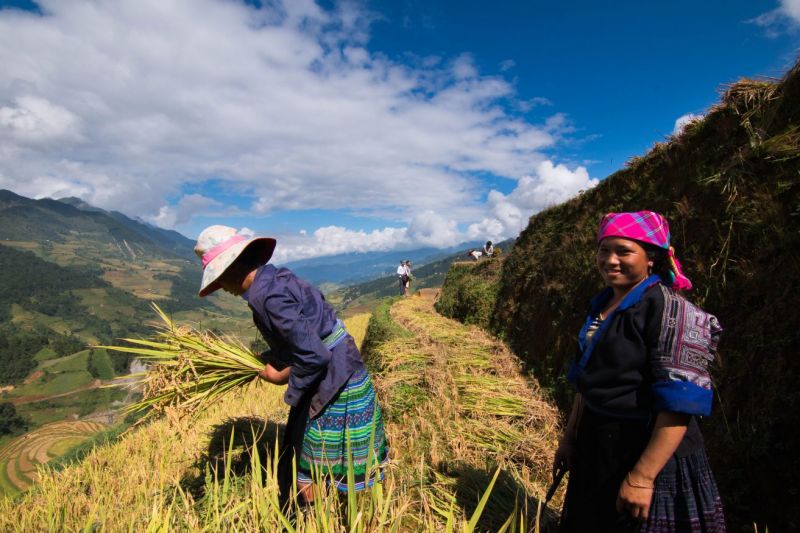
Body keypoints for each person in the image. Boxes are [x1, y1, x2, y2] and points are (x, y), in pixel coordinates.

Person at [555, 211, 725, 532]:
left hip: (646, 452)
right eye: (604, 250)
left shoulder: (671, 311)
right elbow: (586, 383)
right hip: (597, 443)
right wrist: (569, 439)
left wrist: (642, 478)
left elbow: (679, 403)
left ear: (651, 259)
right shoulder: (602, 305)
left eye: (624, 251)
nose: (610, 260)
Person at [194, 225, 388, 505]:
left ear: (231, 269)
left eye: (220, 280)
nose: (222, 288)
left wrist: (279, 375)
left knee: (309, 476)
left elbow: (315, 356)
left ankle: (314, 519)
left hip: (336, 380)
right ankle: (338, 513)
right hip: (346, 368)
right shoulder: (276, 278)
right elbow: (308, 332)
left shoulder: (268, 298)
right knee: (321, 458)